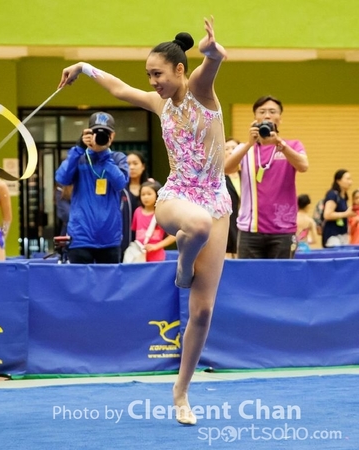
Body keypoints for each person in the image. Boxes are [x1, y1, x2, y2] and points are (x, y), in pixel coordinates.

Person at [59, 18, 230, 425]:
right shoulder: (159, 103)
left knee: (202, 311)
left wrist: (212, 50)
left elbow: (213, 62)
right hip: (177, 196)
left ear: (179, 70)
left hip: (216, 199)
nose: (153, 82)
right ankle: (183, 262)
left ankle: (181, 390)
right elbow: (119, 89)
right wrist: (83, 67)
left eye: (158, 74)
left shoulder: (200, 91)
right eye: (149, 75)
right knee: (197, 225)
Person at [225, 95, 308, 259]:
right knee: (250, 275)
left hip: (283, 229)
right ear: (255, 118)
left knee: (282, 274)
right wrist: (249, 143)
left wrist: (280, 144)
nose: (267, 116)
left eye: (272, 112)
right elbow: (226, 169)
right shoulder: (245, 148)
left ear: (280, 119)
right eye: (262, 112)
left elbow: (303, 166)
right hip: (250, 229)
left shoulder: (292, 146)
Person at [54, 112, 129, 264]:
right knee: (79, 280)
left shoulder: (117, 158)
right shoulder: (79, 157)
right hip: (81, 237)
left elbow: (120, 183)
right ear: (88, 134)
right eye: (96, 132)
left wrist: (104, 156)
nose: (100, 137)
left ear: (112, 136)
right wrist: (79, 149)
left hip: (109, 239)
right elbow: (62, 178)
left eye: (105, 133)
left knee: (109, 280)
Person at [131, 180, 176, 261]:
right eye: (143, 194)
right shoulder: (137, 211)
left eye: (149, 194)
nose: (146, 197)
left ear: (157, 195)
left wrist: (156, 246)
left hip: (157, 257)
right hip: (139, 256)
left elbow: (173, 236)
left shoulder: (161, 213)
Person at [121, 151, 151, 258]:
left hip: (146, 242)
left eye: (135, 163)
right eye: (128, 164)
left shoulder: (151, 188)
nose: (131, 167)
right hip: (123, 239)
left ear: (143, 166)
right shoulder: (120, 189)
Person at [321, 169, 355, 248]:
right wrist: (346, 214)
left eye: (351, 179)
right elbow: (327, 215)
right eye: (348, 179)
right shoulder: (333, 195)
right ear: (338, 181)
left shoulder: (344, 196)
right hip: (333, 235)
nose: (350, 182)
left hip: (343, 234)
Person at [224, 138, 241, 258]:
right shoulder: (218, 178)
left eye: (234, 148)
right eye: (227, 148)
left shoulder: (246, 174)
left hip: (244, 225)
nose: (230, 151)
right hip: (227, 226)